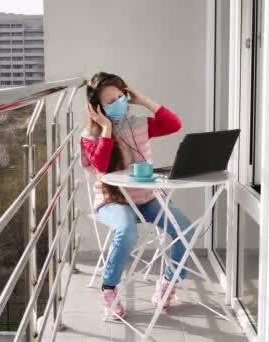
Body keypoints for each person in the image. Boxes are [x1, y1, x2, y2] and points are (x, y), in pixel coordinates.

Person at [80, 72, 193, 319]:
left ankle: (168, 284)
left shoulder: (139, 123)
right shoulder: (90, 137)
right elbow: (99, 165)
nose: (119, 102)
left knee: (185, 230)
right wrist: (107, 128)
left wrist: (143, 100)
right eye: (111, 101)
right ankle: (109, 289)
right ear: (96, 108)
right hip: (113, 200)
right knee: (126, 231)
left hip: (148, 197)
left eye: (121, 96)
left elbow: (174, 124)